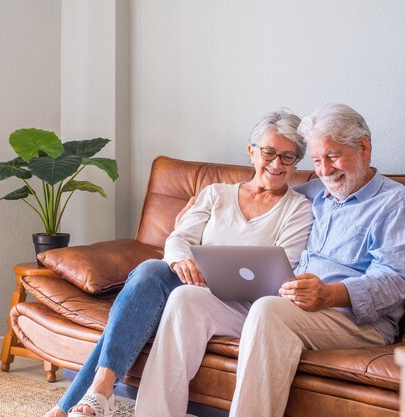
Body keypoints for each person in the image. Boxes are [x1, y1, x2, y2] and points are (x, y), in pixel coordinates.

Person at [134, 103, 405, 417]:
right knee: (186, 299)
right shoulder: (313, 192)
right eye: (316, 160)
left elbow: (395, 281)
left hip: (354, 321)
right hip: (289, 305)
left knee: (269, 309)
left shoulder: (395, 204)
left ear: (364, 148)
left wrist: (330, 294)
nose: (325, 170)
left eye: (333, 156)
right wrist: (186, 221)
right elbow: (264, 196)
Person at [42, 109, 313, 417]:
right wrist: (182, 259)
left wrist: (206, 268)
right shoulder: (216, 194)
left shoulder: (299, 210)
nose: (277, 164)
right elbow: (177, 238)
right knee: (150, 271)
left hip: (241, 304)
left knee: (148, 290)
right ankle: (99, 390)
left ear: (296, 162)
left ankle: (80, 401)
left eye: (288, 157)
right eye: (269, 152)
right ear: (251, 151)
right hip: (191, 284)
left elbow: (280, 268)